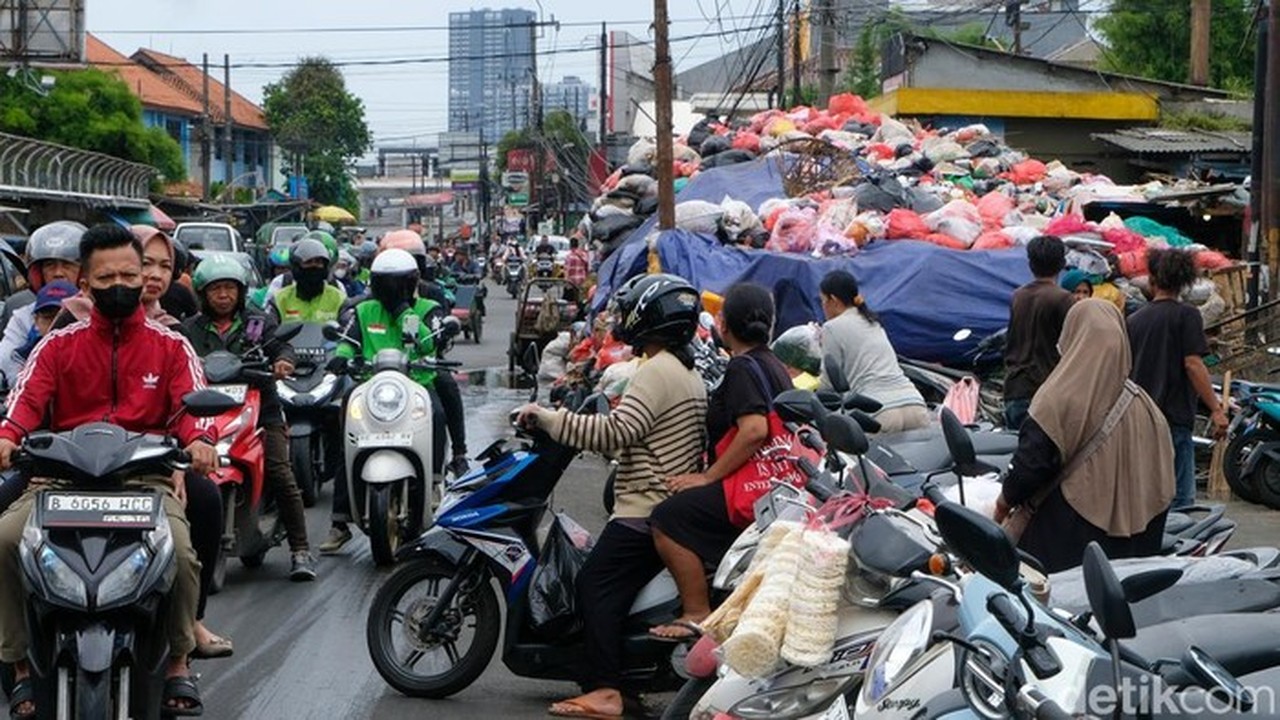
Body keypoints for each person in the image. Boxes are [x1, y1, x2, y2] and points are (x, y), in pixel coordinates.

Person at [0, 223, 218, 717]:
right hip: (62, 478)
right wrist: (8, 436)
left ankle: (178, 662)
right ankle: (18, 667)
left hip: (145, 479)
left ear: (144, 278)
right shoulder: (58, 345)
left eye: (128, 275)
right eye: (106, 278)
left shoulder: (171, 345)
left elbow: (193, 405)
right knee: (6, 540)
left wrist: (201, 441)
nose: (119, 285)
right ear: (85, 284)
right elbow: (25, 400)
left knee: (182, 554)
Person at [516, 273, 707, 720]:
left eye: (630, 311)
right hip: (660, 502)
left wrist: (549, 419)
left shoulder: (657, 370)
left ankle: (605, 689)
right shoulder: (682, 369)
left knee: (594, 585)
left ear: (649, 317)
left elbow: (616, 432)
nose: (622, 319)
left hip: (645, 506)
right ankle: (623, 680)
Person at [649, 283, 790, 640]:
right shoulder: (773, 364)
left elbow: (755, 429)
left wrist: (708, 476)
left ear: (723, 324)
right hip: (779, 483)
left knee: (667, 517)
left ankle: (696, 611)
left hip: (754, 487)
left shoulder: (743, 366)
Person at [994, 300, 1174, 573]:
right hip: (1135, 552)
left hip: (1066, 544)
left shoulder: (1056, 398)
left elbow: (1030, 467)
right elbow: (1165, 472)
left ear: (1071, 337)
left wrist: (1002, 503)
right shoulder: (1147, 406)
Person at [181, 254, 317, 581]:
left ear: (241, 291)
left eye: (230, 288)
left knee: (280, 471)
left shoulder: (258, 322)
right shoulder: (189, 329)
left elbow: (280, 347)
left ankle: (300, 550)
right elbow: (175, 355)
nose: (223, 295)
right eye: (216, 289)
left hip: (261, 409)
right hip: (206, 413)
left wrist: (283, 361)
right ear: (203, 293)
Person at [317, 249, 449, 554]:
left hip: (416, 384)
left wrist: (405, 313)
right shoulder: (363, 311)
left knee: (438, 413)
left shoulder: (426, 309)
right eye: (385, 283)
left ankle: (433, 482)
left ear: (411, 282)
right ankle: (339, 521)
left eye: (397, 284)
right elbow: (348, 342)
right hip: (370, 387)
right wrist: (341, 358)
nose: (391, 290)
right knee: (347, 436)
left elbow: (430, 343)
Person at [1127, 248, 1227, 510]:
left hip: (1140, 418)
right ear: (1184, 281)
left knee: (1146, 498)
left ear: (1153, 279)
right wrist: (1216, 409)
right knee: (1180, 501)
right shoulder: (1187, 315)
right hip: (1173, 417)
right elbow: (1193, 364)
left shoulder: (1134, 320)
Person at [374, 229, 470, 477]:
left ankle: (458, 453)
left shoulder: (432, 296)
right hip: (377, 369)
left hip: (422, 365)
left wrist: (406, 314)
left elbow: (434, 338)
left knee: (446, 388)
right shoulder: (370, 303)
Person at [817, 271, 929, 433]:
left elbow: (829, 383)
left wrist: (813, 397)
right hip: (915, 404)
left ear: (833, 300)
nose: (823, 307)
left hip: (878, 410)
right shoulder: (873, 322)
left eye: (822, 301)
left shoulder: (832, 327)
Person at [0, 220, 85, 387]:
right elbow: (5, 362)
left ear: (83, 271)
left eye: (67, 265)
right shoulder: (24, 316)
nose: (58, 273)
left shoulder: (98, 313)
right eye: (50, 265)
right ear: (38, 273)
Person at [1003, 235, 1074, 430]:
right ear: (1062, 264)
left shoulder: (1018, 296)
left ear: (1030, 264)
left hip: (1015, 389)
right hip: (1045, 392)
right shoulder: (1063, 299)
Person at [268, 237, 346, 324]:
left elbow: (347, 327)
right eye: (308, 262)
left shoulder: (339, 299)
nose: (313, 266)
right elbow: (269, 326)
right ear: (297, 267)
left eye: (318, 262)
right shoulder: (280, 300)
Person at [5, 280, 76, 372]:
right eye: (48, 317)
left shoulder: (90, 353)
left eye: (65, 317)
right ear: (36, 321)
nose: (56, 323)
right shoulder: (21, 358)